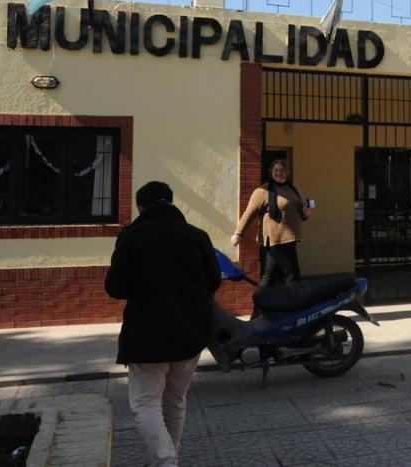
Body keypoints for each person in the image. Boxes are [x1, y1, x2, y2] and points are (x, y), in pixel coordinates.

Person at [105, 181, 221, 467]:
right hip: (190, 333)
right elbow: (214, 280)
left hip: (147, 334)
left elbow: (115, 287)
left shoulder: (132, 237)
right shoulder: (197, 235)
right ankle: (170, 454)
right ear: (171, 203)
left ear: (140, 207)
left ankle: (164, 461)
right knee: (175, 399)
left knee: (145, 403)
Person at [231, 159, 313, 289]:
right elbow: (250, 212)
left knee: (269, 276)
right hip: (275, 239)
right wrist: (238, 234)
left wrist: (305, 213)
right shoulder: (263, 190)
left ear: (287, 173)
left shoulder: (291, 190)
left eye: (282, 170)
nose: (278, 173)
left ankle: (260, 303)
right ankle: (293, 302)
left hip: (290, 238)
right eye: (276, 170)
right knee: (292, 274)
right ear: (271, 172)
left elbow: (295, 213)